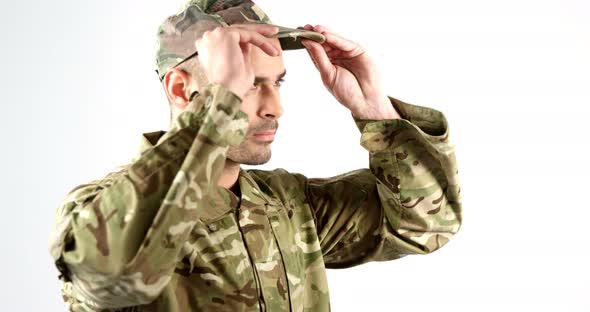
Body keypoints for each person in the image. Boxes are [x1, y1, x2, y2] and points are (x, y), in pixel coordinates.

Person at [48, 0, 463, 311]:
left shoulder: (288, 205)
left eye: (277, 82)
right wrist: (218, 108)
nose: (274, 108)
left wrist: (376, 112)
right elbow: (115, 275)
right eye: (248, 84)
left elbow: (426, 224)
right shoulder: (99, 211)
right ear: (179, 89)